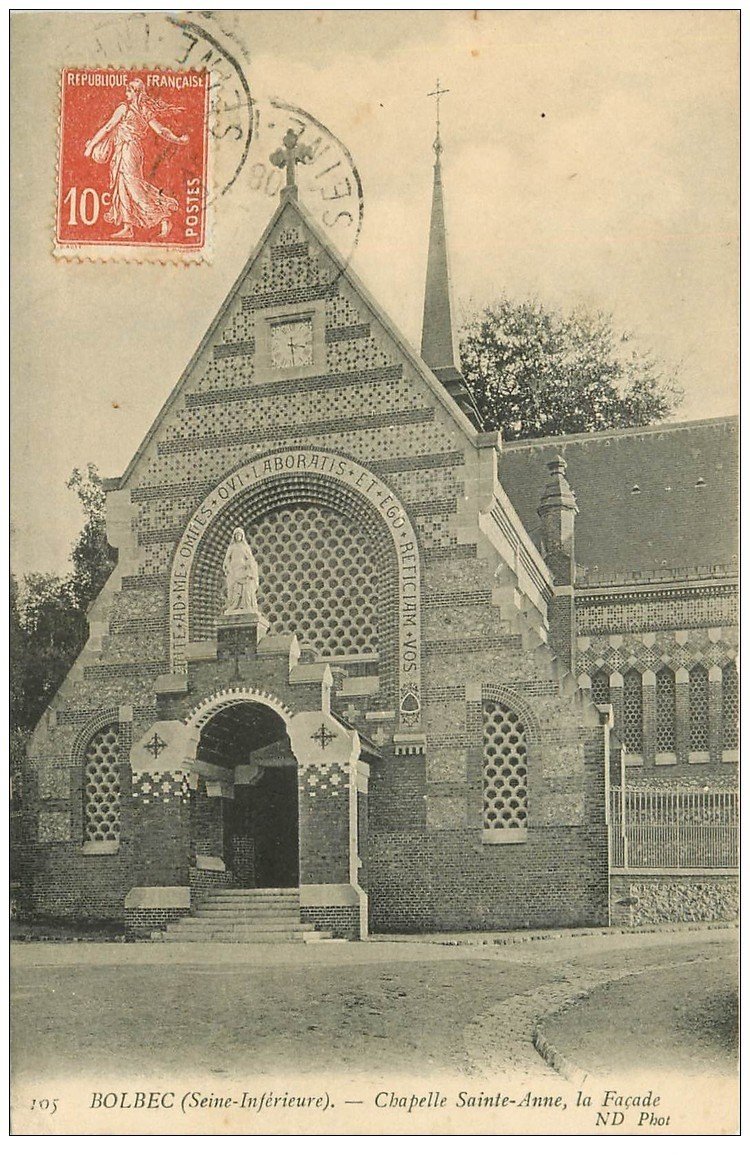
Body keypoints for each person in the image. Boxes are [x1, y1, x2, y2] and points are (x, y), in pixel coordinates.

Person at [83, 77, 188, 239]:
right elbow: (162, 131)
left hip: (127, 150)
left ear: (135, 92)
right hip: (129, 151)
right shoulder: (145, 111)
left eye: (129, 90)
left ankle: (163, 217)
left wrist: (90, 146)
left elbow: (108, 127)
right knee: (123, 186)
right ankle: (128, 227)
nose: (126, 93)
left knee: (133, 187)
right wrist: (178, 139)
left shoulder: (124, 109)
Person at [223, 527, 260, 614]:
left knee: (245, 589)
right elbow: (227, 559)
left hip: (243, 570)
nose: (238, 537)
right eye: (236, 535)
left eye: (239, 535)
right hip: (234, 570)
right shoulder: (232, 547)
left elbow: (250, 559)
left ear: (242, 536)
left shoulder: (245, 547)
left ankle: (245, 605)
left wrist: (249, 567)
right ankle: (234, 605)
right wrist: (229, 568)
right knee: (234, 589)